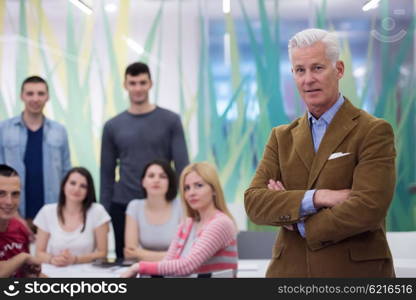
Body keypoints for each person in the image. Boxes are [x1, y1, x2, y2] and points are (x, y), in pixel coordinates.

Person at [244, 28, 396, 277]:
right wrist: (318, 197)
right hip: (289, 273)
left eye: (317, 68)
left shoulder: (373, 131)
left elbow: (368, 207)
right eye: (299, 70)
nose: (307, 80)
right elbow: (255, 203)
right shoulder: (281, 137)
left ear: (339, 70)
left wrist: (297, 221)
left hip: (353, 273)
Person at [100, 62, 189, 258]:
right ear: (125, 85)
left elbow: (183, 167)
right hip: (123, 203)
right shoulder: (112, 126)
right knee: (126, 260)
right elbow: (106, 173)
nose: (138, 88)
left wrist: (187, 204)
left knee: (175, 257)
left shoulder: (171, 121)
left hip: (163, 203)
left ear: (151, 84)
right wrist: (103, 214)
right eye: (133, 83)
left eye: (142, 82)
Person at [121, 162, 238, 277]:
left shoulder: (221, 223)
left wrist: (139, 267)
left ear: (214, 190)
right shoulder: (187, 224)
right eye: (187, 188)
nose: (191, 193)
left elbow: (188, 265)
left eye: (199, 185)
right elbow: (168, 262)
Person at [0, 76, 71, 229]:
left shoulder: (59, 131)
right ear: (22, 96)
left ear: (47, 97)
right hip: (11, 214)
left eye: (40, 93)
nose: (35, 99)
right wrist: (15, 216)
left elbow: (66, 174)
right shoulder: (4, 129)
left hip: (51, 215)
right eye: (30, 93)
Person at [34, 167, 110, 266]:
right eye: (72, 183)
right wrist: (53, 259)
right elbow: (39, 253)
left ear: (89, 191)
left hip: (87, 273)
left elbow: (102, 253)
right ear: (63, 185)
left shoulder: (97, 211)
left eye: (83, 186)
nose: (76, 189)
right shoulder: (47, 211)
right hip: (54, 271)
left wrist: (76, 259)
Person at [124, 160, 182, 261]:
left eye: (162, 176)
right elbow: (130, 253)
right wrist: (171, 255)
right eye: (151, 176)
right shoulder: (134, 206)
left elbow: (185, 253)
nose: (156, 180)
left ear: (170, 182)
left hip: (176, 270)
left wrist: (141, 254)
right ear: (143, 182)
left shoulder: (181, 205)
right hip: (144, 270)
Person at [0, 164, 41, 278]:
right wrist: (23, 257)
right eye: (1, 193)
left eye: (15, 194)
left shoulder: (20, 228)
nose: (9, 201)